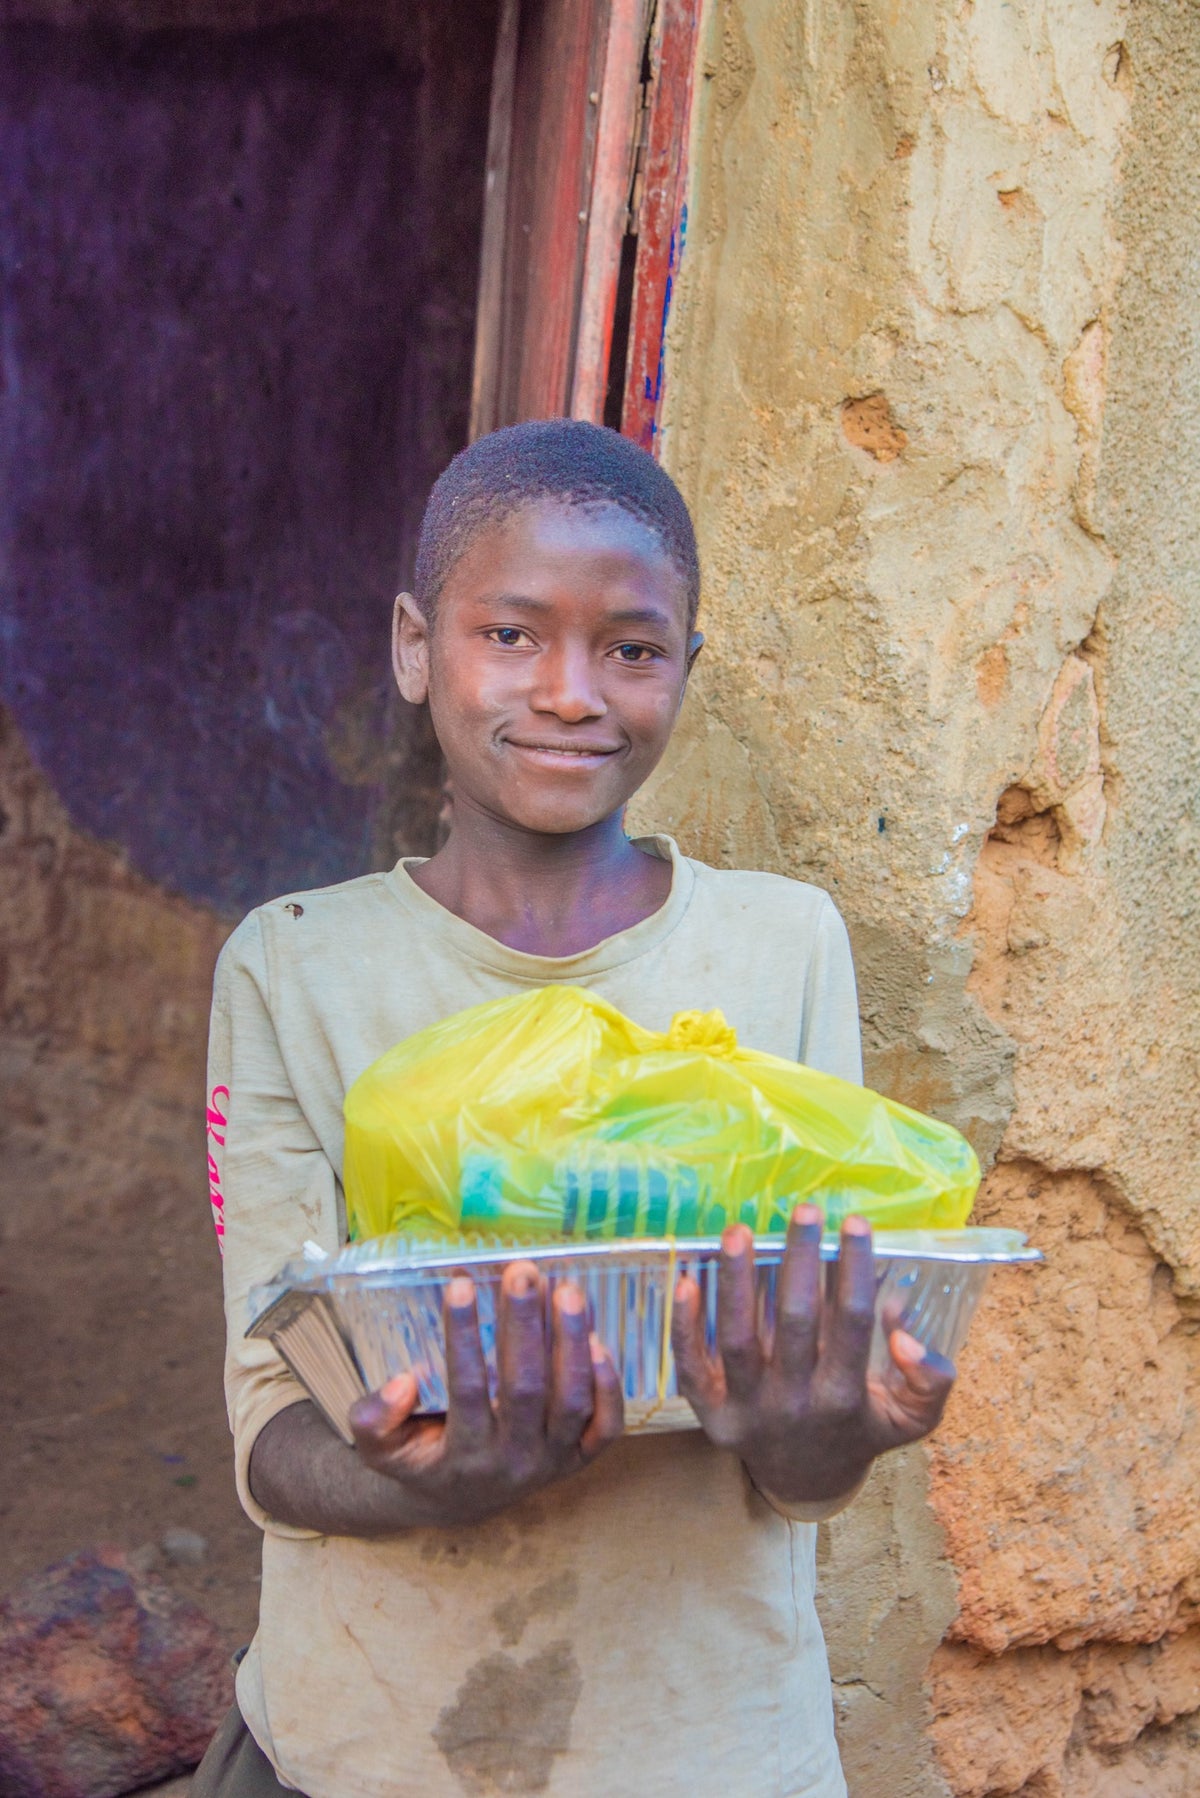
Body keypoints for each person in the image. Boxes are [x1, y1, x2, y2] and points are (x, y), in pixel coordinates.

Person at [194, 420, 954, 1798]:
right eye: (512, 633)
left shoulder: (782, 948)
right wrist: (446, 1470)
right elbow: (276, 1441)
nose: (569, 691)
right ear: (417, 646)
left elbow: (800, 1479)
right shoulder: (296, 964)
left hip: (705, 1750)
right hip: (372, 1749)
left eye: (632, 647)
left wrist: (827, 1414)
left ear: (687, 670)